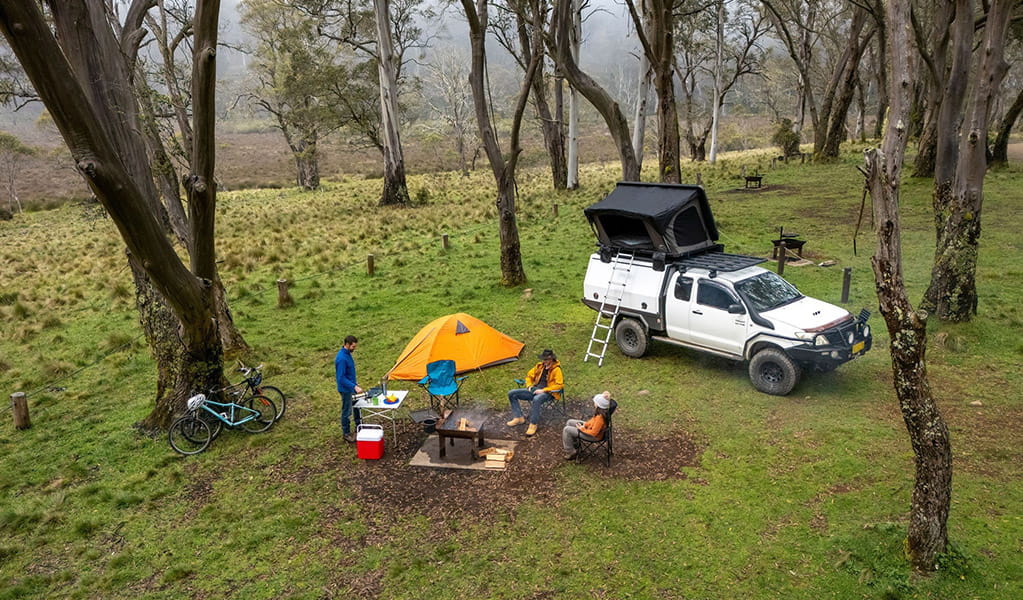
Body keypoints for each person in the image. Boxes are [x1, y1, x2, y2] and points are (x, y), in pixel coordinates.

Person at [506, 349, 563, 436]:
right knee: (512, 393)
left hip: (549, 393)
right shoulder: (540, 366)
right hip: (536, 390)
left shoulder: (556, 370)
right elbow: (529, 376)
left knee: (537, 399)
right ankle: (518, 417)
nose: (544, 361)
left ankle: (533, 424)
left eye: (546, 359)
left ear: (551, 359)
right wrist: (529, 386)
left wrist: (543, 390)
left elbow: (559, 385)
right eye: (543, 359)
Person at [562, 391, 612, 460]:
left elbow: (593, 433)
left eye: (595, 402)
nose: (594, 403)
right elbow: (592, 422)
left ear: (598, 405)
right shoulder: (601, 412)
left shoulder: (599, 418)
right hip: (590, 428)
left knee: (566, 430)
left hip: (594, 436)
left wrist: (582, 429)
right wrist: (585, 425)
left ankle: (571, 452)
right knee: (570, 422)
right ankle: (575, 445)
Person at [335, 335, 363, 443]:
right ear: (347, 344)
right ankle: (346, 433)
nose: (354, 349)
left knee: (357, 406)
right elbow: (341, 378)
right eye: (353, 347)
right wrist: (353, 386)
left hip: (351, 386)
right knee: (346, 411)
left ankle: (359, 425)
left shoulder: (347, 354)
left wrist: (354, 383)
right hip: (346, 389)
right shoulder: (341, 358)